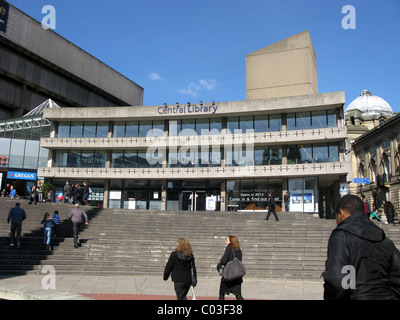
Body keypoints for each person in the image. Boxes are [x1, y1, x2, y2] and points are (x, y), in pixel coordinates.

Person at [322, 194, 400, 300]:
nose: (337, 222)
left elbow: (338, 281)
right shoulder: (383, 238)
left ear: (341, 213)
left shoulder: (341, 235)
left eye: (336, 217)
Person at [217, 235, 244, 300]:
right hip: (237, 276)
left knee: (222, 294)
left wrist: (219, 264)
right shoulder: (239, 249)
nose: (226, 242)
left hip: (228, 276)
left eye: (227, 240)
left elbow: (223, 261)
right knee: (238, 296)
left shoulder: (228, 248)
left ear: (230, 242)